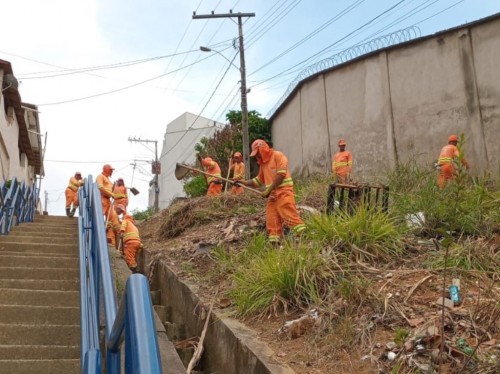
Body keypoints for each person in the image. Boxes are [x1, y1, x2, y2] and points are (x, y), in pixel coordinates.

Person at [236, 139, 306, 243]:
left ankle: (304, 236)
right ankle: (275, 242)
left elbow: (281, 175)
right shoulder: (263, 164)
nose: (256, 157)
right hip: (273, 195)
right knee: (271, 219)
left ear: (263, 149)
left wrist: (268, 190)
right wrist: (243, 182)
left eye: (257, 153)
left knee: (288, 214)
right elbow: (258, 181)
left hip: (284, 192)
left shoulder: (278, 155)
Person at [96, 164, 118, 246]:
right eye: (111, 170)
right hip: (102, 198)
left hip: (108, 200)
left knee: (112, 217)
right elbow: (100, 187)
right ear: (106, 169)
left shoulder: (108, 180)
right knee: (100, 215)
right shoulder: (100, 176)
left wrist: (113, 189)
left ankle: (107, 231)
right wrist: (110, 193)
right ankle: (100, 230)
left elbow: (111, 190)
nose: (112, 171)